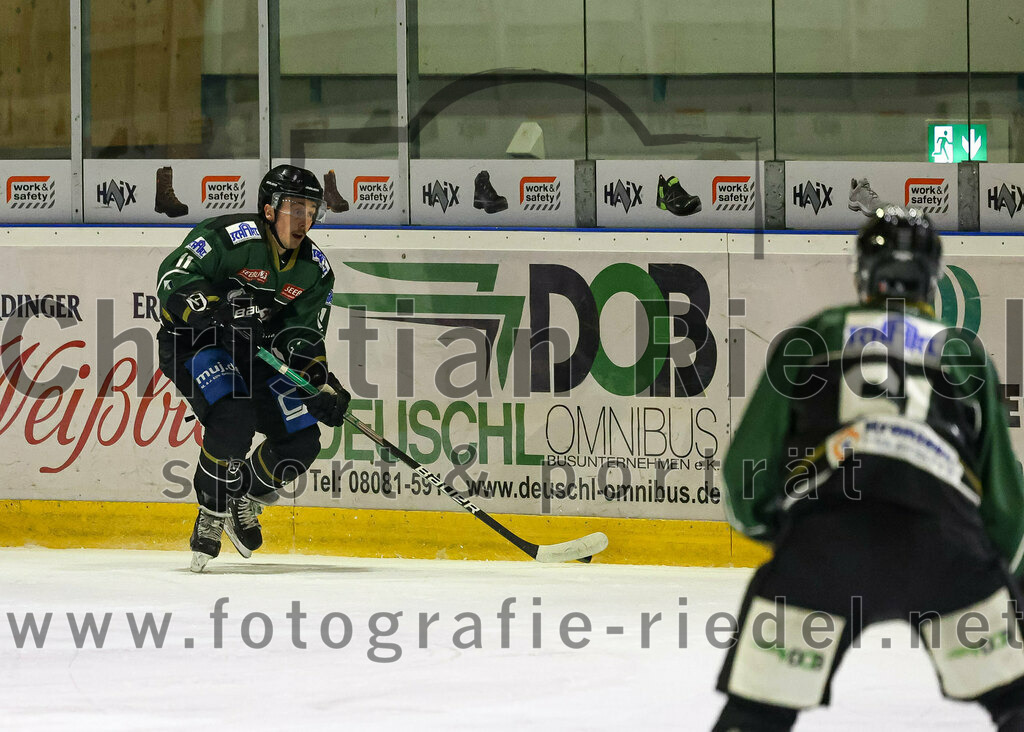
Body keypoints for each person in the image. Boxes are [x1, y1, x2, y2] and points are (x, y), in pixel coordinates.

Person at [713, 205, 1024, 731]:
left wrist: (782, 533)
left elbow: (745, 478)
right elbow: (1006, 513)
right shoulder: (963, 353)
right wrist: (1000, 586)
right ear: (933, 280)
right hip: (946, 548)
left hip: (825, 545)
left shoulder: (812, 338)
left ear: (862, 274)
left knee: (755, 715)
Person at [156, 164, 351, 572]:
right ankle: (212, 509)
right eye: (294, 209)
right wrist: (213, 309)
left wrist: (318, 382)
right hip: (196, 343)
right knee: (233, 416)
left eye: (311, 211)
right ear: (268, 209)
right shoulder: (227, 237)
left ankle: (241, 492)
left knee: (302, 440)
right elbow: (172, 277)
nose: (304, 220)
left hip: (255, 353)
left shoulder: (314, 268)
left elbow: (301, 333)